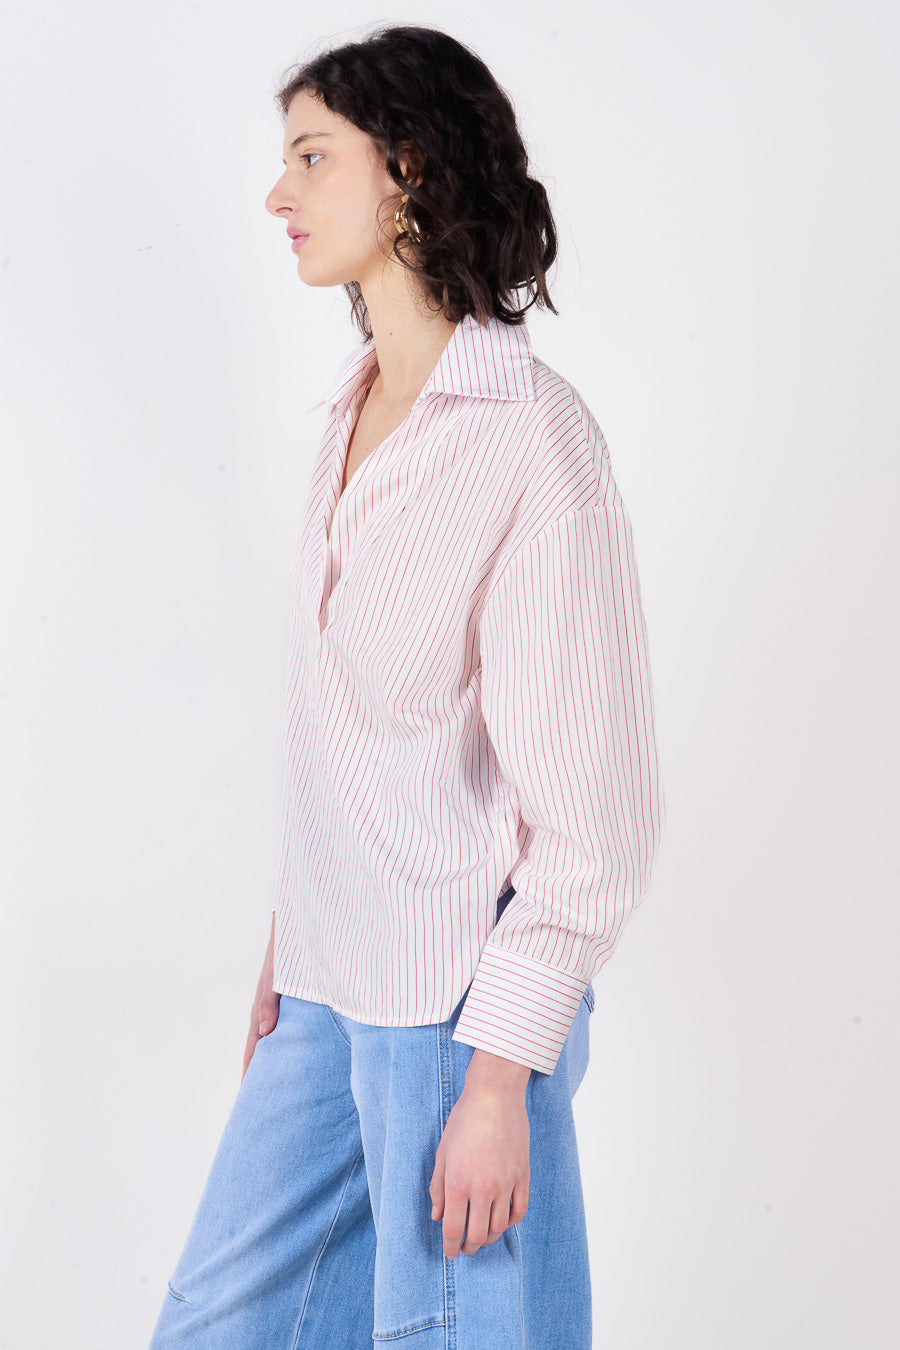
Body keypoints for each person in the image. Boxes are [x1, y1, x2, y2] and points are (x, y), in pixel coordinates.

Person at [148, 23, 663, 1350]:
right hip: (328, 986)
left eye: (313, 157)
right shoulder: (350, 410)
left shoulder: (533, 443)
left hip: (453, 1006)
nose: (278, 193)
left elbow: (594, 818)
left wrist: (499, 1079)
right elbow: (361, 736)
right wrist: (291, 951)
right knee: (215, 1324)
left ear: (411, 171)